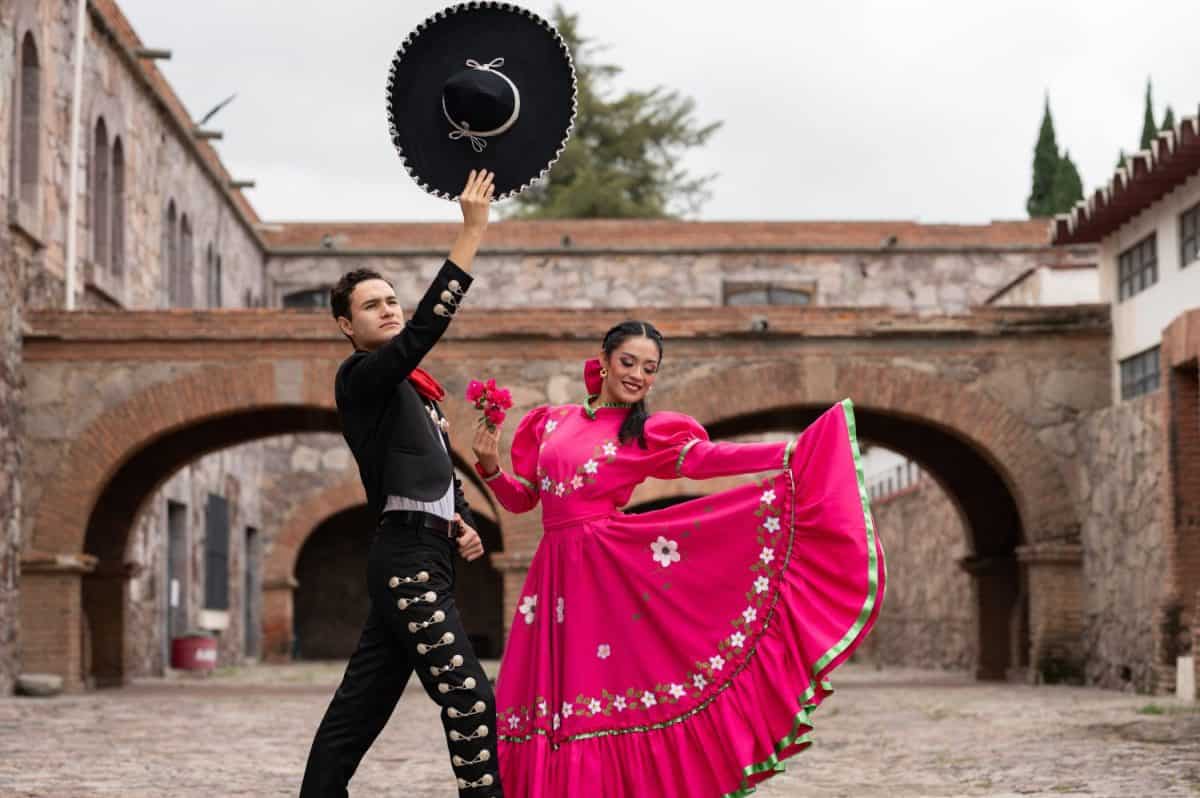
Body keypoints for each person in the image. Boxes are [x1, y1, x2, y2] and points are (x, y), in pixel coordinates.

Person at [471, 320, 886, 797]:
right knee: (550, 693)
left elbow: (706, 459)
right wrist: (490, 468)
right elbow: (525, 501)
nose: (638, 376)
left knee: (602, 687)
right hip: (552, 575)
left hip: (605, 571)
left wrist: (789, 452)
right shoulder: (549, 422)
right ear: (603, 362)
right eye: (628, 363)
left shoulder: (645, 433)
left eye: (649, 369)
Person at [300, 170, 504, 797]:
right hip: (407, 562)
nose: (388, 310)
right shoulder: (361, 378)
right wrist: (470, 235)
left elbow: (436, 466)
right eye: (372, 305)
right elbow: (422, 334)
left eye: (391, 300)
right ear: (345, 325)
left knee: (356, 712)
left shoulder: (416, 394)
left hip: (429, 554)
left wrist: (462, 519)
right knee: (470, 697)